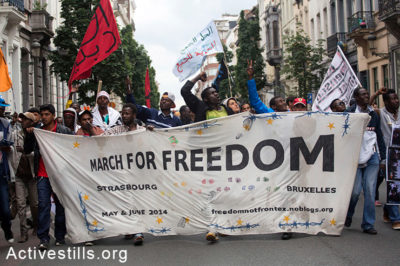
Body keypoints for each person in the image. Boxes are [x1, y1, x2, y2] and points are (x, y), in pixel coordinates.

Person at [181, 71, 234, 243]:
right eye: (211, 93)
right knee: (211, 192)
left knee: (225, 191)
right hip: (208, 157)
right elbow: (185, 91)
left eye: (216, 92)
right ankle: (212, 228)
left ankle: (225, 224)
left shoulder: (226, 109)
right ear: (204, 99)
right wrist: (197, 77)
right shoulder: (200, 107)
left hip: (227, 156)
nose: (216, 94)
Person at [24, 104, 73, 250]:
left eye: (47, 114)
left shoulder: (64, 131)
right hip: (42, 174)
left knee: (60, 206)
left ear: (53, 115)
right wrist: (29, 135)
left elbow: (73, 150)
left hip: (60, 174)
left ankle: (59, 236)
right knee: (44, 205)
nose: (44, 117)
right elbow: (27, 150)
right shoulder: (37, 131)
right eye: (42, 115)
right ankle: (43, 238)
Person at [102, 103, 147, 245]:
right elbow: (100, 139)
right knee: (124, 201)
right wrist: (90, 128)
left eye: (127, 113)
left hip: (138, 173)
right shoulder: (116, 130)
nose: (124, 116)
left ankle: (139, 232)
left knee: (137, 201)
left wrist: (152, 132)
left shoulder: (142, 130)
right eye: (123, 113)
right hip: (121, 173)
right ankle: (129, 228)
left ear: (134, 115)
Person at [345, 87, 386, 234]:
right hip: (354, 157)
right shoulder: (348, 113)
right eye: (362, 95)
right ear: (356, 97)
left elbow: (378, 135)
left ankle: (368, 224)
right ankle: (348, 214)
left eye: (367, 94)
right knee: (355, 191)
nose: (366, 96)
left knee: (369, 190)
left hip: (372, 156)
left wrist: (383, 158)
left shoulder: (373, 114)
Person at [373, 89, 400, 230]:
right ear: (386, 101)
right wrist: (376, 94)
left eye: (396, 98)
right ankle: (396, 218)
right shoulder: (380, 113)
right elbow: (368, 108)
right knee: (393, 186)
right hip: (389, 156)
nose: (395, 101)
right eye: (392, 99)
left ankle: (388, 209)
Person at [10, 112, 38, 242]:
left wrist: (27, 152)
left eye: (27, 119)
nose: (23, 121)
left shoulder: (36, 134)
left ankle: (37, 226)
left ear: (32, 122)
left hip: (32, 175)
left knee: (34, 203)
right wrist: (12, 122)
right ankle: (23, 231)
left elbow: (37, 153)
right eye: (23, 119)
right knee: (21, 204)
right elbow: (7, 139)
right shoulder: (16, 134)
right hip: (19, 174)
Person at [0, 97, 14, 243]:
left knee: (5, 208)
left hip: (1, 172)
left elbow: (9, 145)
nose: (2, 110)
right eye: (0, 107)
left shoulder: (5, 124)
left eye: (3, 107)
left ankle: (7, 228)